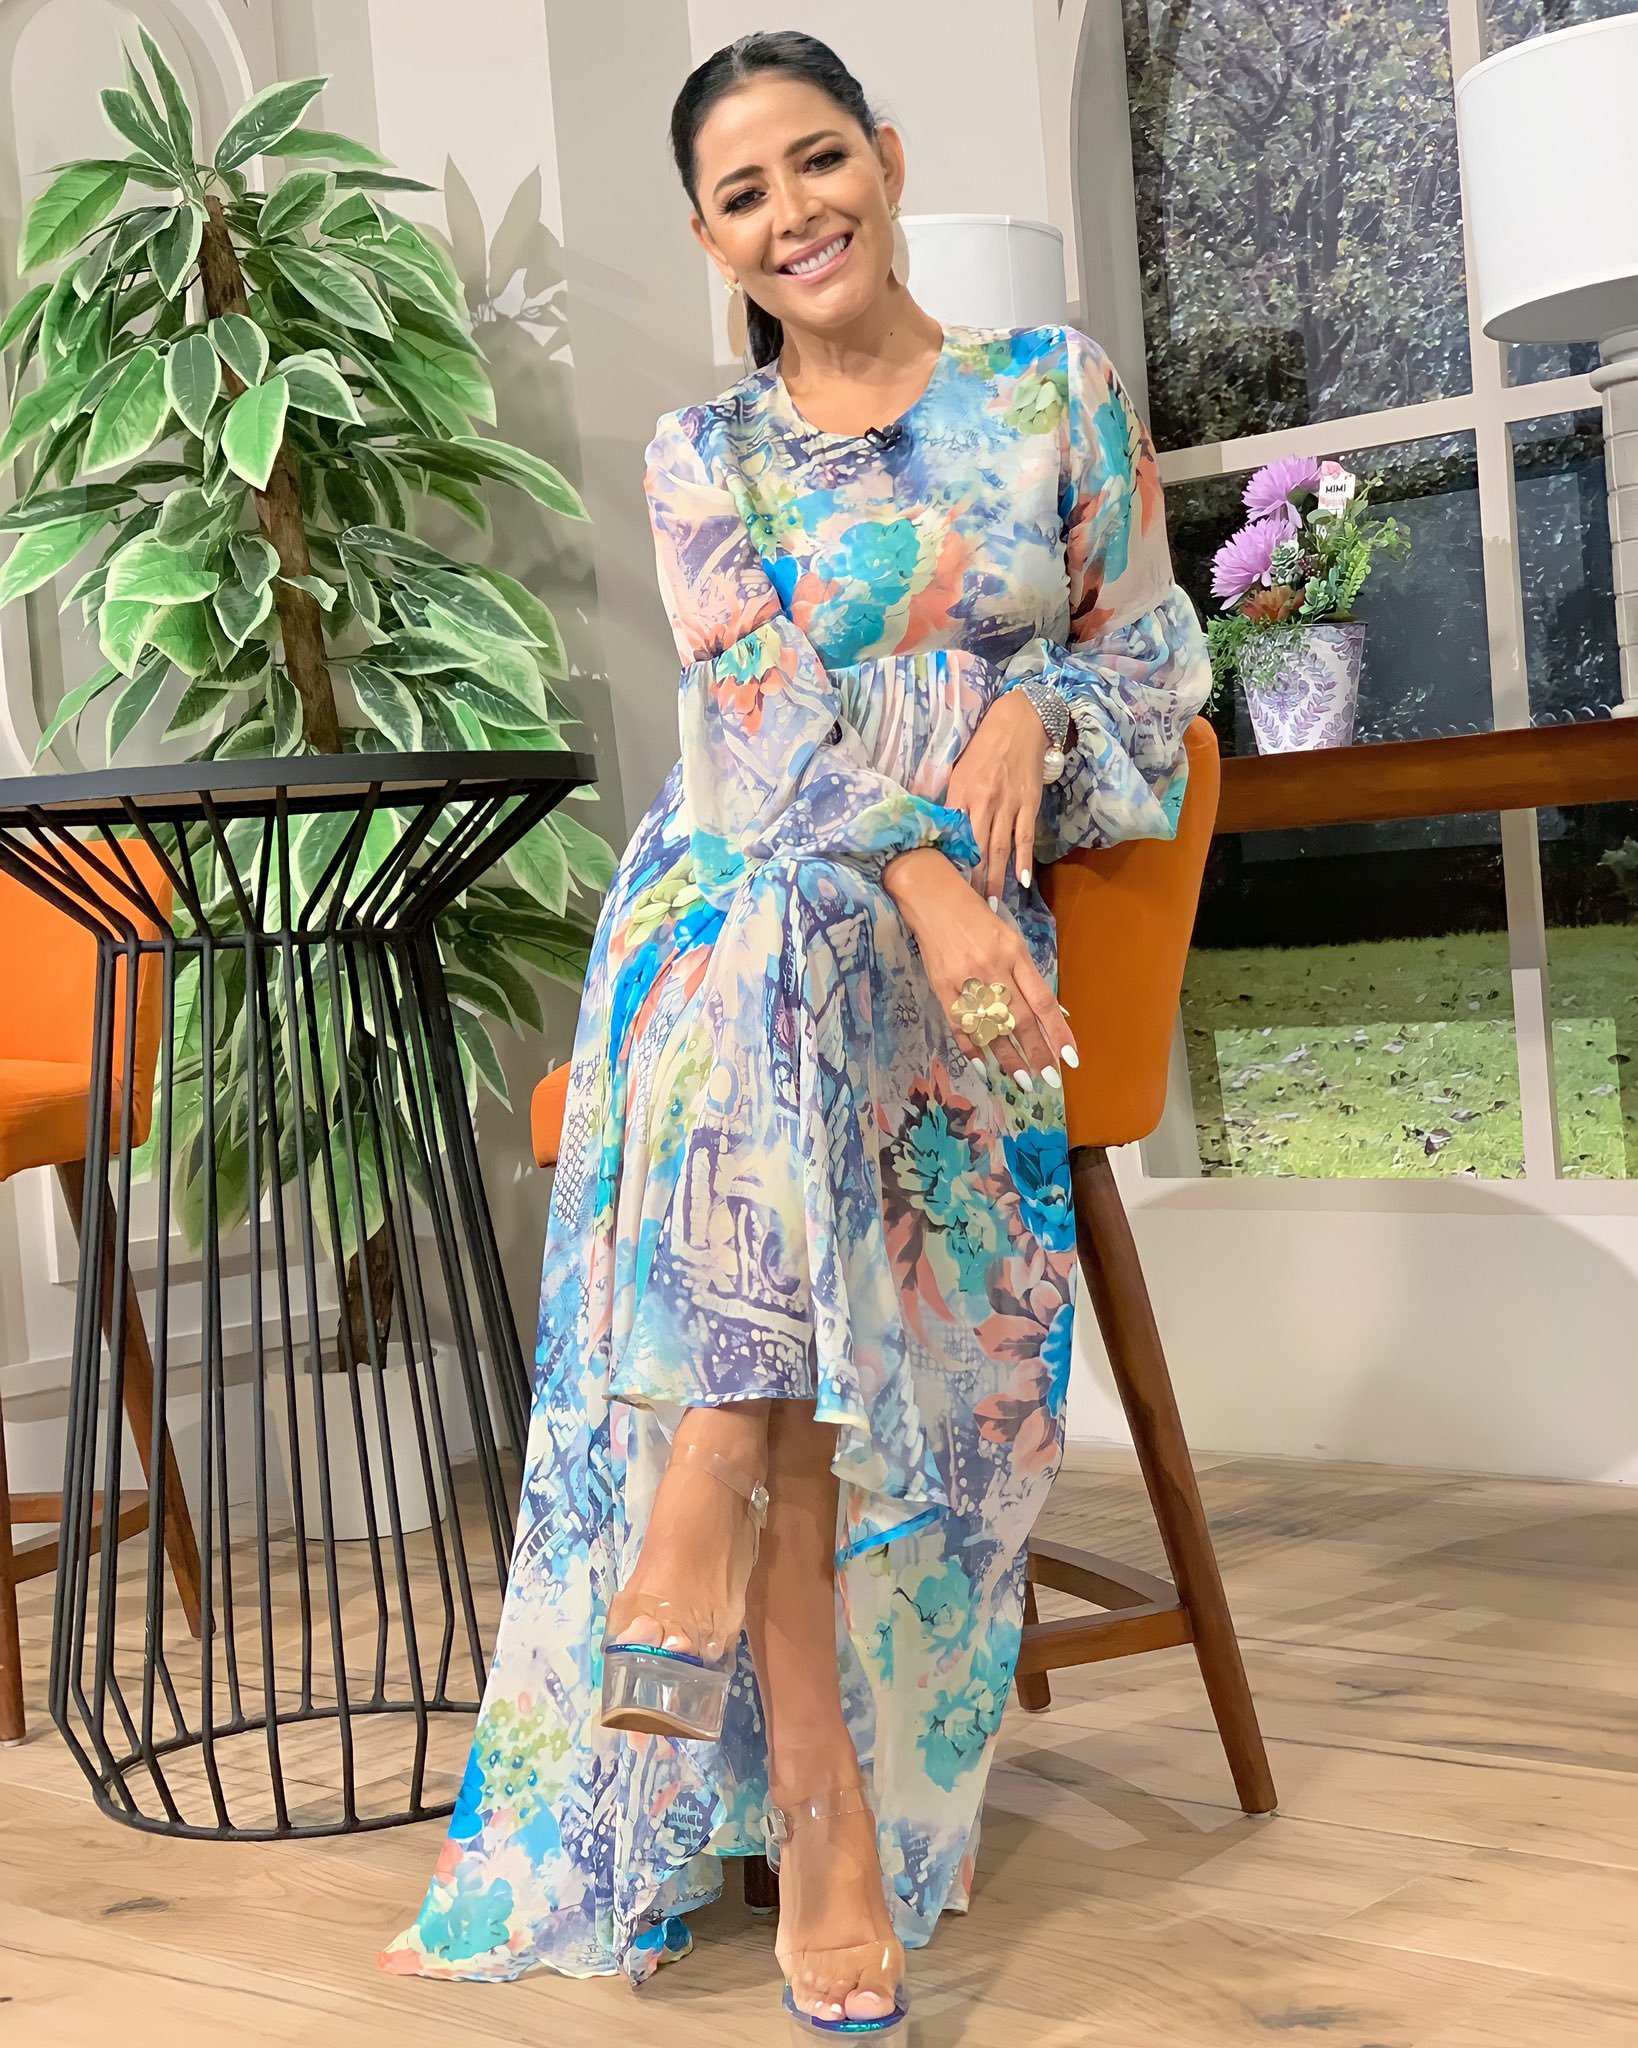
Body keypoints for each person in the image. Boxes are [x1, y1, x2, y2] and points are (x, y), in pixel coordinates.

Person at [383, 27, 1209, 2040]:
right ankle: (815, 1797)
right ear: (709, 239)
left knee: (783, 968)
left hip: (943, 962)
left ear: (886, 159)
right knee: (769, 926)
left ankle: (711, 1470)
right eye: (742, 194)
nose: (792, 213)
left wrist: (1031, 711)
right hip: (764, 891)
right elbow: (750, 731)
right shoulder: (706, 454)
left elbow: (1152, 656)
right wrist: (921, 868)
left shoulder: (1052, 390)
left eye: (817, 160)